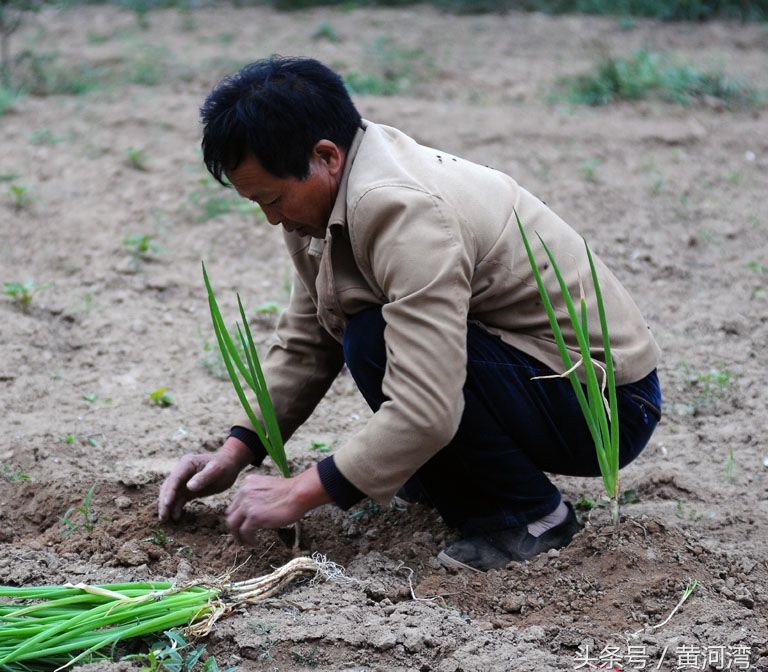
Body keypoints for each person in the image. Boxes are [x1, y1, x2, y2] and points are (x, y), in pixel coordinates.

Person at [158, 56, 661, 572]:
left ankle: (530, 519)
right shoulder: (326, 199)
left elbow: (428, 406)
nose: (270, 218)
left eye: (272, 198)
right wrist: (236, 451)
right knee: (367, 337)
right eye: (256, 202)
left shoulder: (402, 210)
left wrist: (301, 491)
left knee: (372, 340)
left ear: (325, 156)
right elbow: (307, 341)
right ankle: (460, 475)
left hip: (605, 402)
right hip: (528, 373)